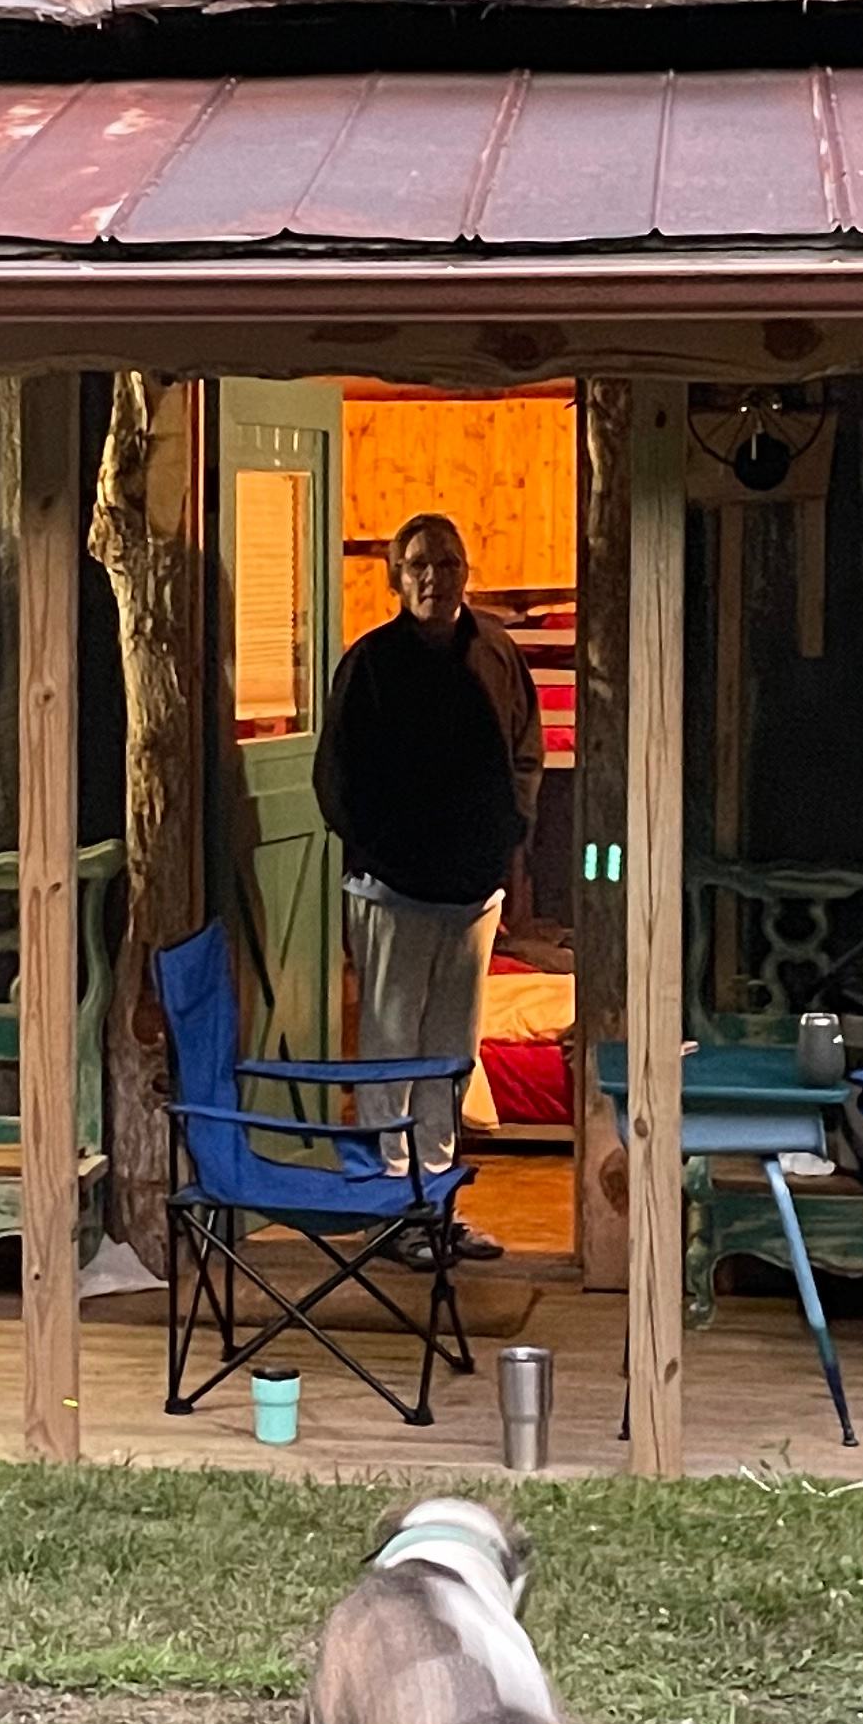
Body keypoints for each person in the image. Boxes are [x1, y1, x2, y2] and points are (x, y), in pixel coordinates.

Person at [312, 510, 543, 1261]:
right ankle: (390, 1209)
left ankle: (438, 1206)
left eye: (445, 563)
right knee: (391, 1048)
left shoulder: (498, 654)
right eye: (417, 565)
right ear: (394, 576)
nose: (432, 578)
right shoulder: (371, 663)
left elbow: (525, 754)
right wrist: (383, 857)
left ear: (465, 572)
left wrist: (507, 837)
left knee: (451, 1051)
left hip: (471, 892)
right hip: (394, 891)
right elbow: (338, 780)